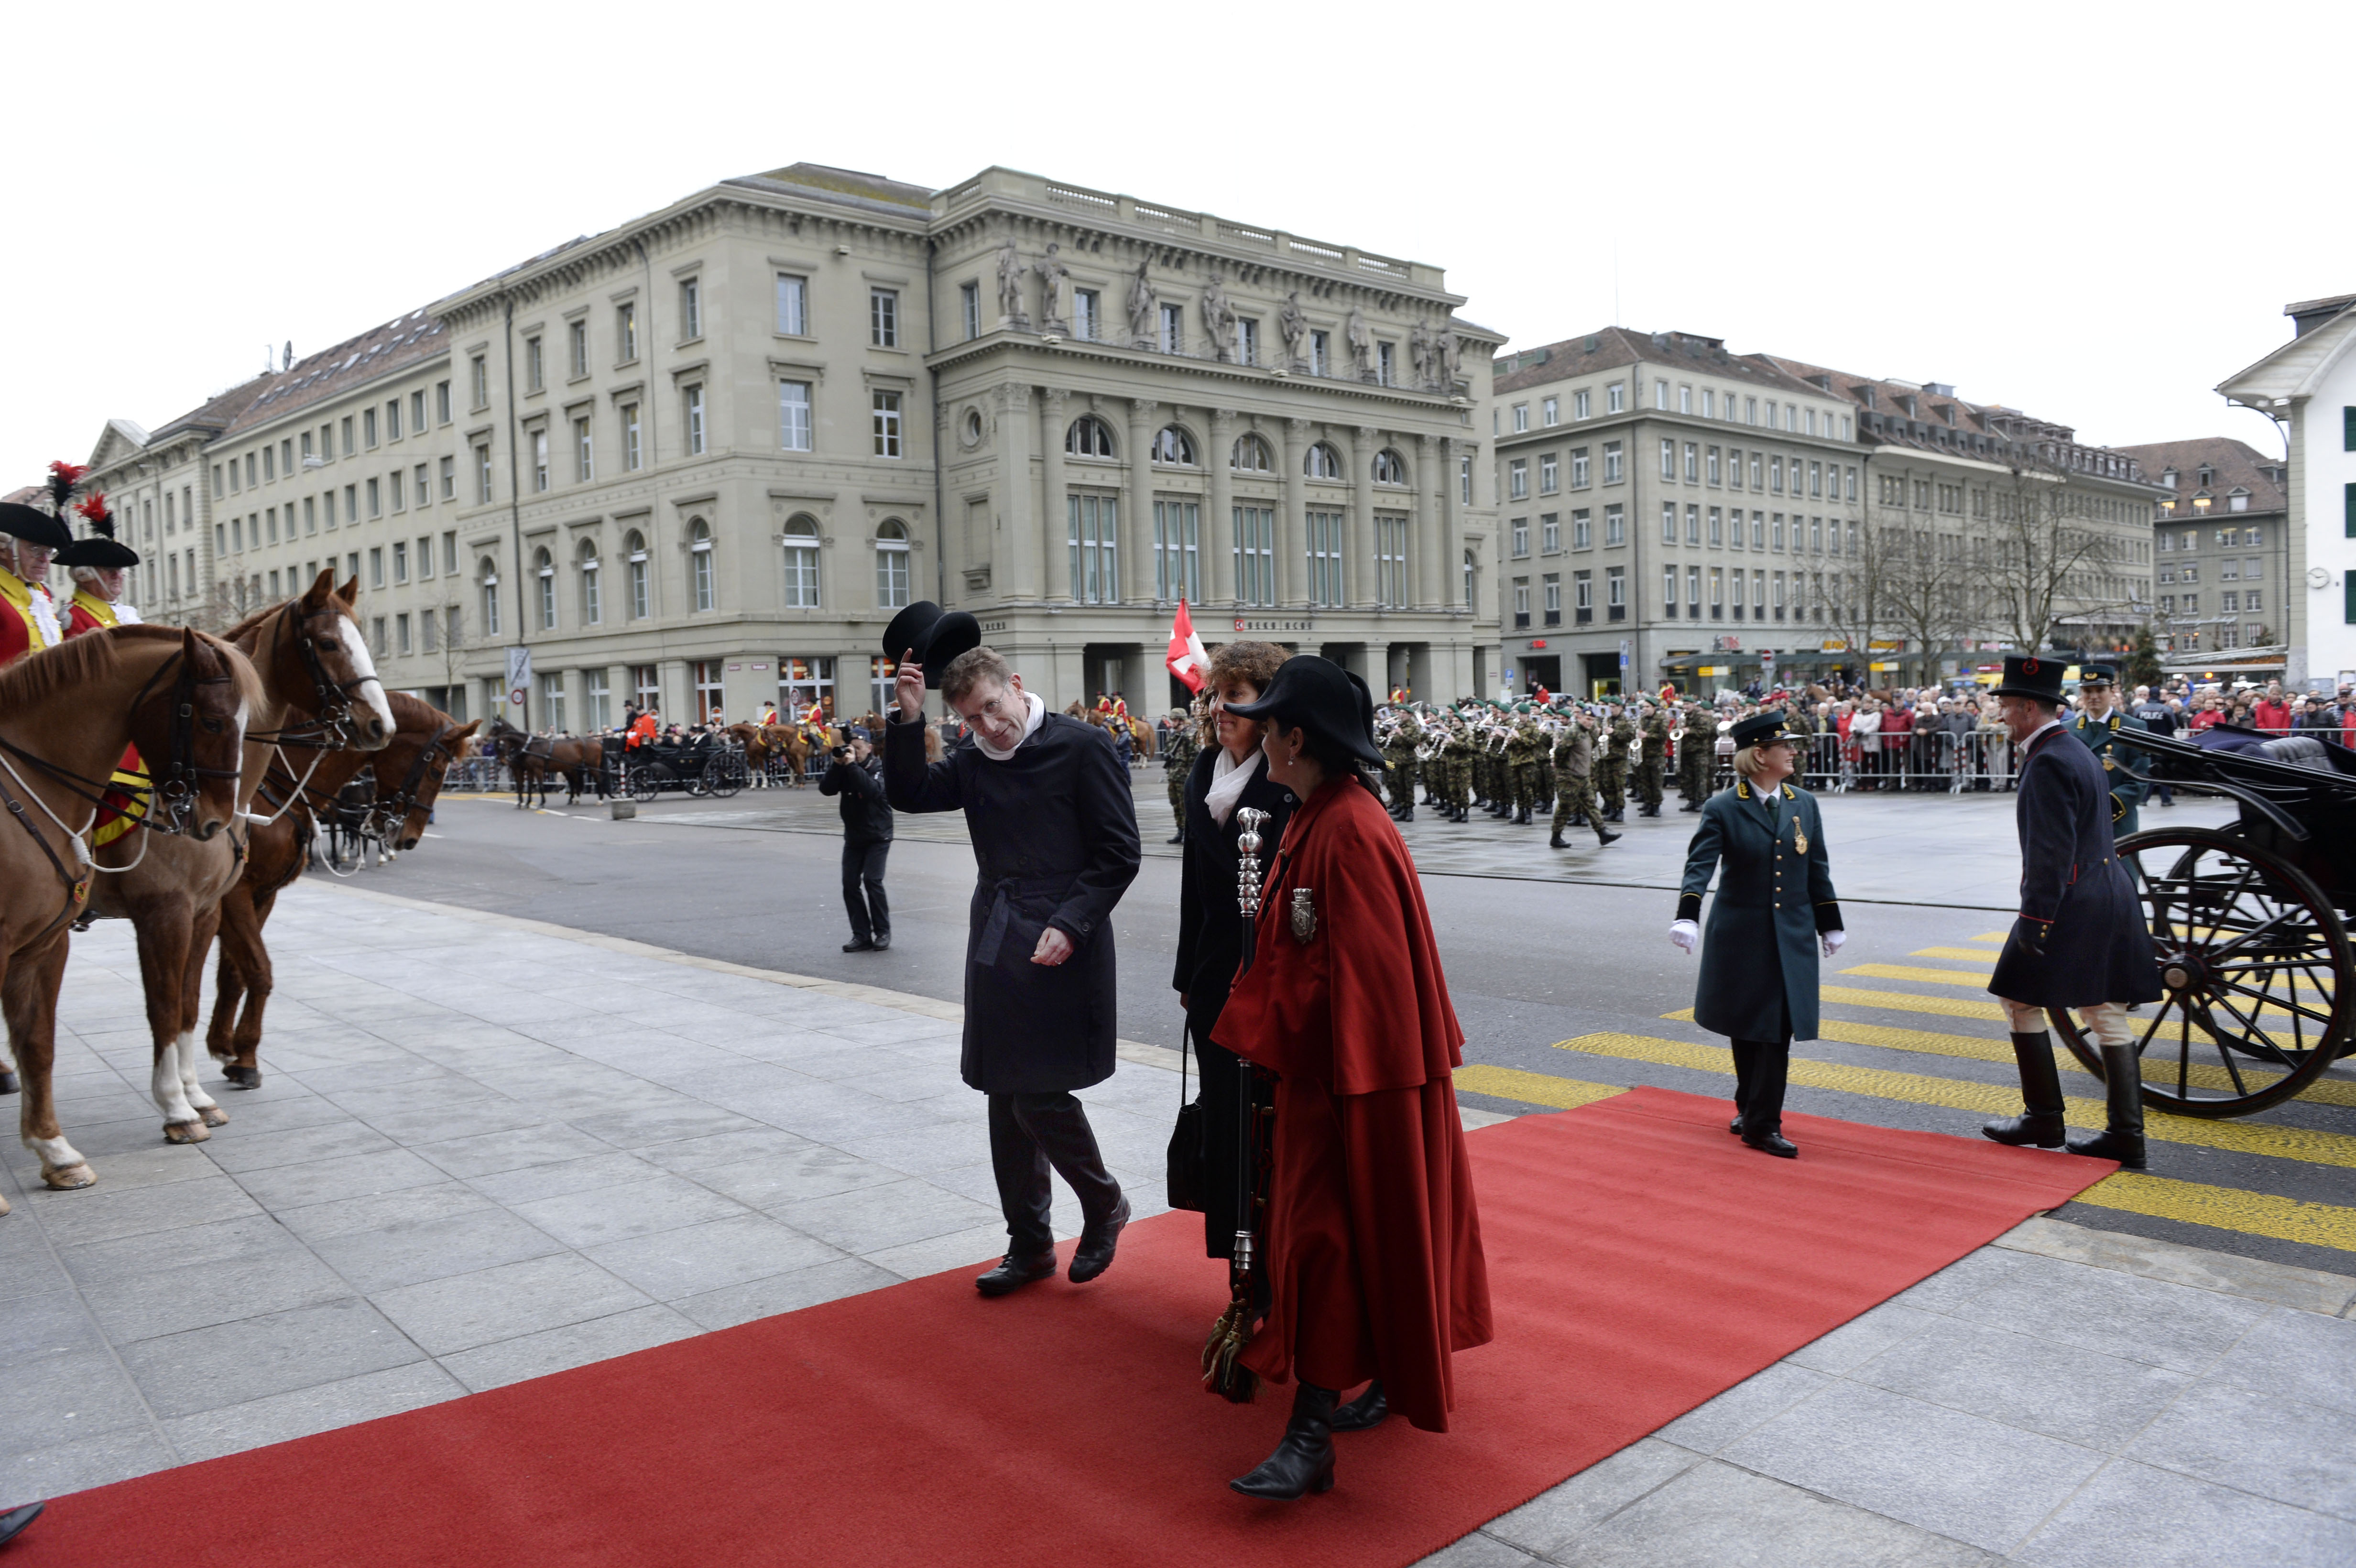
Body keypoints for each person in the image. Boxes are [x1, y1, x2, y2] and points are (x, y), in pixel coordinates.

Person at [1213, 655, 1491, 1499]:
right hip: (1325, 1073)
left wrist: (1276, 1028)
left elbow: (1362, 983)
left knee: (1328, 1245)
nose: (1258, 738)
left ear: (1297, 739)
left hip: (1350, 1080)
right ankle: (1341, 1400)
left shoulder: (1347, 828)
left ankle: (1310, 1434)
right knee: (1334, 1244)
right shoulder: (1317, 812)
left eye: (1267, 726)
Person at [882, 604, 1141, 1295]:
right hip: (998, 930)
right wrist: (909, 717)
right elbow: (907, 793)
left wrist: (1074, 920)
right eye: (973, 719)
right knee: (1003, 1090)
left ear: (1017, 684)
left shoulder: (1082, 745)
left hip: (1064, 933)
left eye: (995, 709)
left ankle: (1103, 1199)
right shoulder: (973, 760)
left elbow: (1120, 853)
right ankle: (1028, 1244)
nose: (991, 727)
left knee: (1037, 1089)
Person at [1980, 653, 2163, 1168]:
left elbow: (2048, 853)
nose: (2000, 716)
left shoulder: (2048, 761)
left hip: (2067, 902)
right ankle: (2125, 1134)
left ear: (2028, 708)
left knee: (2017, 999)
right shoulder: (2076, 750)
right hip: (2108, 894)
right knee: (2105, 1014)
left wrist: (2035, 921)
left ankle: (2043, 1117)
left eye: (2006, 707)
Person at [1172, 641, 1298, 1267]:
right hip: (1214, 973)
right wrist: (1186, 974)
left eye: (1237, 698)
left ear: (1268, 706)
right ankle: (1237, 1269)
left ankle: (1276, 1262)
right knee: (1224, 1123)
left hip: (1267, 974)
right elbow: (1195, 882)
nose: (1220, 707)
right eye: (1215, 695)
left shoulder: (1285, 780)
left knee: (1267, 1128)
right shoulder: (1202, 772)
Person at [1670, 710, 1845, 1157]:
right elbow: (1700, 866)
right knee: (1749, 1026)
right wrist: (1688, 915)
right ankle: (1751, 1108)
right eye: (1785, 746)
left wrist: (1830, 922)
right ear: (1760, 754)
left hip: (1791, 936)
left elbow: (1816, 867)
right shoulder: (1724, 806)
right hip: (1742, 934)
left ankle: (1762, 1123)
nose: (1794, 751)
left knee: (1777, 1029)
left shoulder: (1804, 802)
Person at [819, 733, 893, 952]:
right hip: (854, 837)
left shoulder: (879, 768)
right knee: (850, 884)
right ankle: (861, 935)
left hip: (878, 835)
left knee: (873, 881)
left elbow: (872, 791)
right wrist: (837, 765)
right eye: (852, 748)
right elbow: (826, 790)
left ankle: (882, 932)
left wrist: (851, 766)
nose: (855, 752)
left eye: (859, 748)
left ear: (869, 748)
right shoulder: (846, 768)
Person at [2069, 664, 2151, 837]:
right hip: (2077, 821)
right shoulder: (2068, 730)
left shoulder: (2133, 728)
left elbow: (2140, 778)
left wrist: (2105, 807)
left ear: (2112, 691)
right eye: (2088, 691)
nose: (2094, 697)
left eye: (2100, 690)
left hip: (2117, 821)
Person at [0, 500, 72, 666]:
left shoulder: (41, 594)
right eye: (34, 549)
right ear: (3, 550)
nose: (44, 560)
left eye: (49, 552)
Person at [1548, 707, 1618, 848]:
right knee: (1565, 807)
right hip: (1570, 776)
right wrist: (1562, 768)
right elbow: (1561, 751)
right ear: (1579, 718)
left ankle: (1602, 833)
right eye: (1587, 719)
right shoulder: (1573, 733)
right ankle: (1556, 836)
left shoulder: (1587, 732)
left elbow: (1594, 744)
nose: (1590, 722)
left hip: (1583, 776)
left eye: (1592, 720)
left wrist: (1593, 729)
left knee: (1590, 804)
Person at [1161, 706, 1200, 843]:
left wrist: (1190, 778)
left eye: (1175, 719)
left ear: (1182, 721)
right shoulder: (1173, 737)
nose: (1173, 722)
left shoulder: (1189, 737)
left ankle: (1187, 833)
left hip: (1184, 778)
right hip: (1173, 776)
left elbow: (1194, 759)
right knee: (1175, 805)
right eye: (1172, 719)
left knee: (1185, 807)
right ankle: (1180, 831)